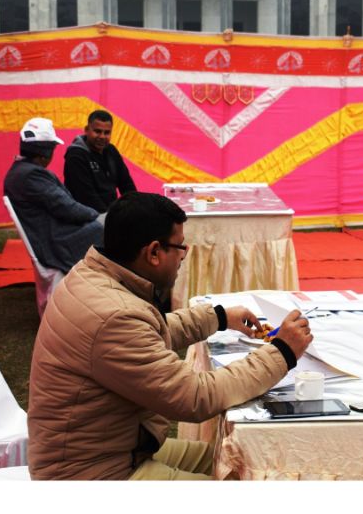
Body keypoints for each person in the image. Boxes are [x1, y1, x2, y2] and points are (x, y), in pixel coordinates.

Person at [27, 191, 312, 480]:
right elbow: (195, 396)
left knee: (244, 461)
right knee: (247, 481)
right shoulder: (115, 316)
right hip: (91, 472)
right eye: (180, 247)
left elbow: (148, 332)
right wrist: (282, 352)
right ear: (153, 252)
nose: (183, 256)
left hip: (110, 447)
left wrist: (218, 317)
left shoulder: (92, 276)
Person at [4, 117, 103, 272]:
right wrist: (96, 215)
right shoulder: (31, 175)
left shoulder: (19, 171)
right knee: (107, 226)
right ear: (45, 153)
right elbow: (68, 208)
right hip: (58, 245)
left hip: (51, 237)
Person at [64, 110, 137, 212]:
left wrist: (135, 209)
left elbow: (127, 185)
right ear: (86, 130)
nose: (102, 136)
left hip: (109, 213)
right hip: (85, 215)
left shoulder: (111, 150)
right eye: (97, 131)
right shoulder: (76, 156)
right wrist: (110, 217)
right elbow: (86, 197)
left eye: (107, 133)